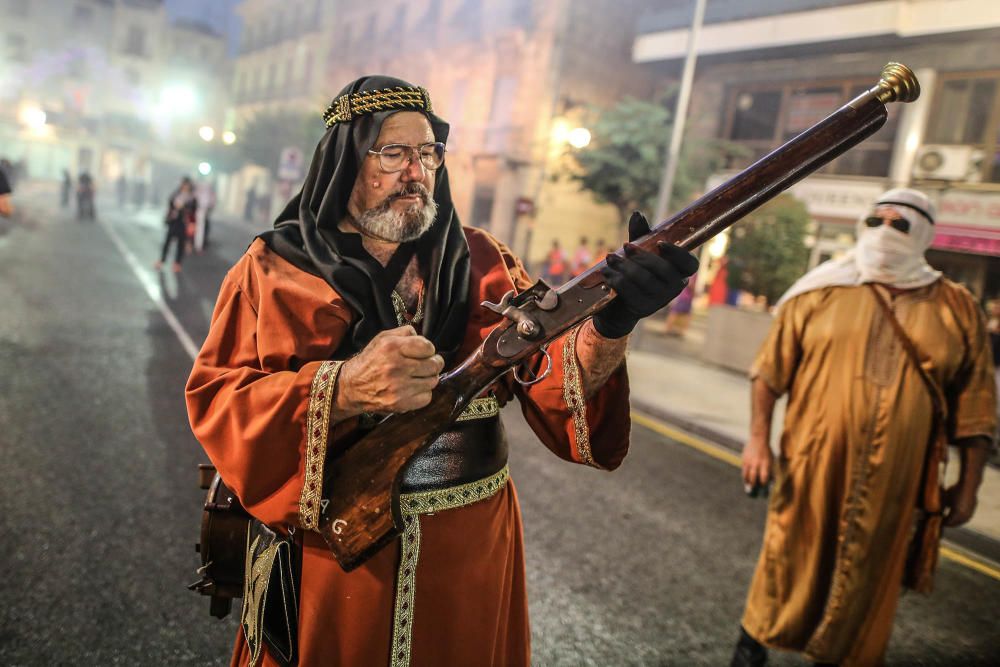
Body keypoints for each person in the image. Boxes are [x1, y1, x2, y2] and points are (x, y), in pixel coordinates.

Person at [185, 75, 697, 667]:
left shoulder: (484, 260)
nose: (416, 171)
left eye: (428, 153)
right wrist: (343, 387)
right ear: (346, 161)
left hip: (471, 547)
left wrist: (614, 323)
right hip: (333, 548)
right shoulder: (272, 269)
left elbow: (554, 379)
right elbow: (219, 398)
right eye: (394, 153)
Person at [732, 188, 997, 667]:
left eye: (900, 224)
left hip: (900, 476)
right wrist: (757, 441)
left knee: (871, 571)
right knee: (789, 553)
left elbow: (975, 404)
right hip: (813, 459)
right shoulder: (817, 291)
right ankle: (754, 642)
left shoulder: (957, 308)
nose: (883, 233)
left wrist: (970, 484)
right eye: (875, 221)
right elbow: (769, 373)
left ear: (924, 235)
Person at [156, 177, 197, 273]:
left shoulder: (192, 198)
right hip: (174, 221)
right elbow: (170, 203)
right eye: (184, 184)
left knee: (180, 244)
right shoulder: (176, 194)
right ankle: (162, 260)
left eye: (187, 185)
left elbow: (193, 211)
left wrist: (184, 208)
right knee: (167, 242)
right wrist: (174, 208)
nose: (185, 186)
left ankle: (177, 263)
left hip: (184, 223)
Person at [194, 179, 216, 252]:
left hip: (204, 212)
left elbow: (212, 201)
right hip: (197, 211)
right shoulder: (198, 189)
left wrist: (209, 208)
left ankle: (201, 244)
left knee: (203, 228)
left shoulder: (209, 191)